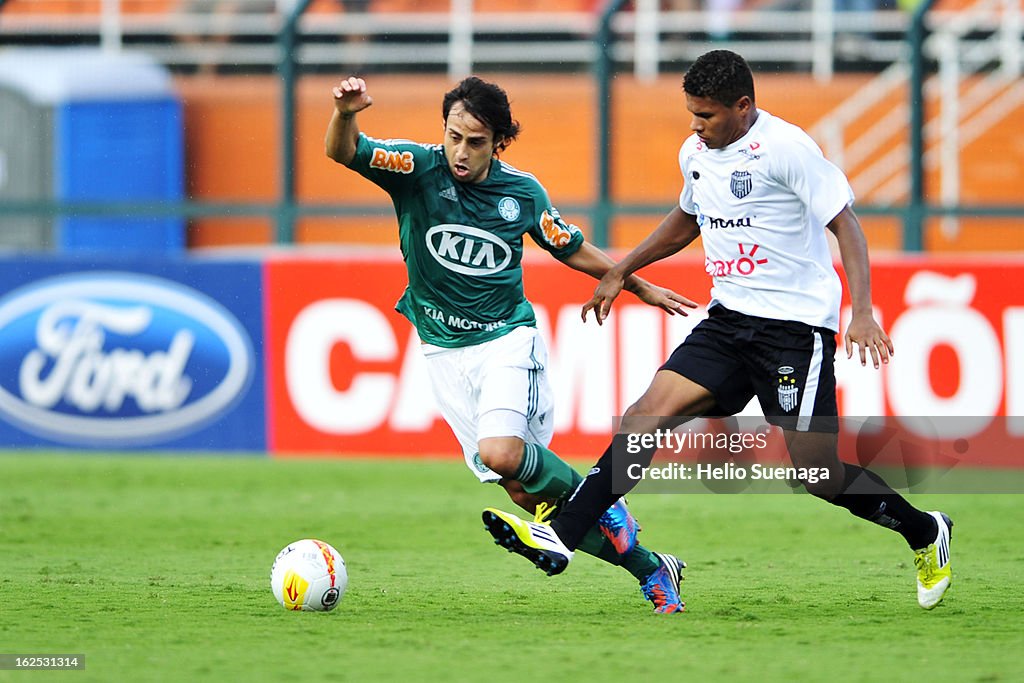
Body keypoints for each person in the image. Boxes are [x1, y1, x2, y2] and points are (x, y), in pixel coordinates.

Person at [481, 50, 953, 612]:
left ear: (742, 106)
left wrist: (863, 311)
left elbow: (845, 224)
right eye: (690, 115)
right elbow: (687, 217)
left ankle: (925, 531)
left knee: (818, 473)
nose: (695, 126)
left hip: (794, 331)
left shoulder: (787, 149)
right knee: (643, 418)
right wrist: (621, 268)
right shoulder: (696, 152)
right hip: (728, 322)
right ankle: (562, 536)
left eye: (705, 116)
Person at [325, 75, 697, 612]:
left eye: (476, 142)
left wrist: (633, 282)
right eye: (454, 136)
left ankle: (608, 503)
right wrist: (344, 113)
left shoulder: (520, 192)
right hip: (442, 352)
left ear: (498, 142)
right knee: (525, 492)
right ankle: (651, 567)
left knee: (500, 453)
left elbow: (568, 245)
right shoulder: (415, 169)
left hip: (505, 340)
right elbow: (344, 151)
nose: (460, 151)